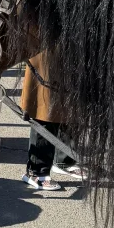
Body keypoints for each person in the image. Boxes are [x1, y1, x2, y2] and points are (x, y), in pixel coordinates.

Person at [20, 58, 83, 191]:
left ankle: (65, 160)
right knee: (45, 109)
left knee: (71, 105)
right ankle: (37, 171)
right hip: (46, 49)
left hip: (71, 49)